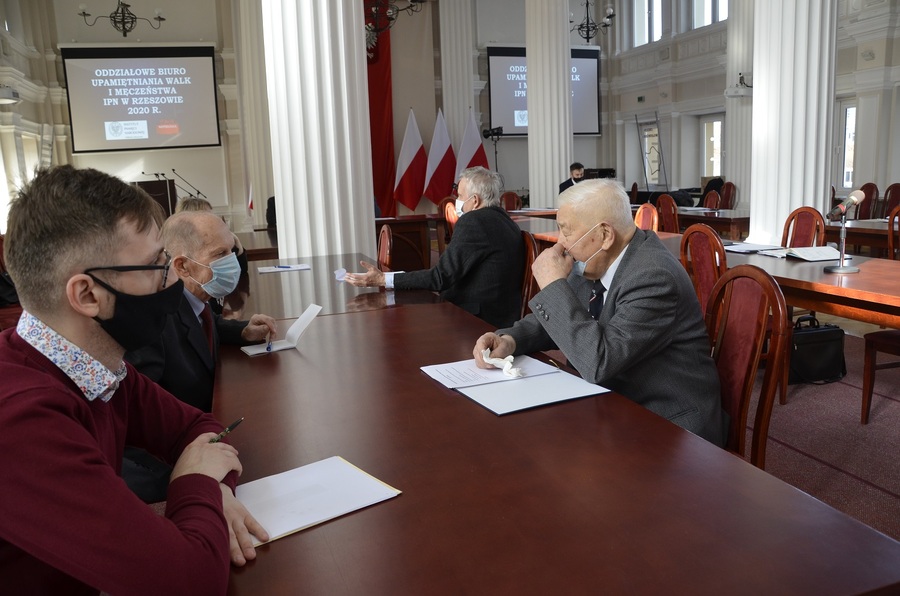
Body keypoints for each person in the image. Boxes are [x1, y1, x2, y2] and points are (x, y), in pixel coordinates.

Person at [0, 165, 268, 594]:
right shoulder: (19, 420)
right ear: (87, 295)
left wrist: (216, 491)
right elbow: (190, 581)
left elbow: (203, 428)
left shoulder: (99, 367)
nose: (171, 278)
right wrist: (194, 482)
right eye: (155, 265)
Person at [473, 179, 727, 446]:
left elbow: (599, 362)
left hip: (668, 424)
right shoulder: (597, 257)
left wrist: (553, 286)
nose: (561, 244)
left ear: (605, 235)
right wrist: (510, 340)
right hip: (615, 401)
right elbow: (558, 317)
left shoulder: (654, 277)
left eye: (567, 232)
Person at [345, 166, 525, 328]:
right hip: (502, 317)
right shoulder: (506, 221)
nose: (457, 200)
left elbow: (440, 278)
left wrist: (383, 280)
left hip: (475, 320)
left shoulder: (474, 222)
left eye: (460, 196)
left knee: (402, 325)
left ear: (475, 200)